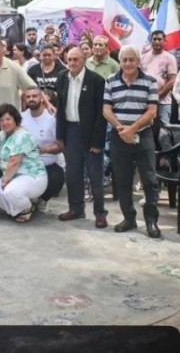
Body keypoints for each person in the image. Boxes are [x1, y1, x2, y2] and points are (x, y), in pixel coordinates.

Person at [103, 45, 162, 239]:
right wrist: (122, 129)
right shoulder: (111, 81)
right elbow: (106, 110)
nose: (128, 63)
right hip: (119, 137)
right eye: (124, 60)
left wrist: (132, 129)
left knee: (150, 180)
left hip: (143, 137)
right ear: (119, 62)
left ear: (138, 61)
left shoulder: (150, 82)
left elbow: (152, 111)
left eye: (131, 60)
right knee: (122, 180)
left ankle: (151, 221)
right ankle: (129, 218)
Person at [55, 47, 109, 226]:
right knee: (73, 173)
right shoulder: (62, 78)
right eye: (69, 60)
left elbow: (101, 114)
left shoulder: (96, 81)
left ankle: (100, 213)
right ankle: (76, 209)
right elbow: (60, 109)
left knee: (95, 175)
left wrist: (98, 140)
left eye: (75, 60)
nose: (72, 63)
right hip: (70, 131)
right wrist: (60, 134)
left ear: (84, 59)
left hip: (91, 132)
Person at [0, 104, 48, 223]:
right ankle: (17, 210)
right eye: (1, 120)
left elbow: (15, 162)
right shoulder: (4, 134)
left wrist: (5, 181)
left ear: (15, 119)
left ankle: (27, 208)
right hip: (13, 176)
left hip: (32, 176)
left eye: (8, 119)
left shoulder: (22, 136)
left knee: (11, 192)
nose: (5, 123)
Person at [21, 88, 64, 207]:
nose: (31, 99)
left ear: (41, 98)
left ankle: (43, 199)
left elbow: (61, 147)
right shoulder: (20, 118)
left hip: (47, 165)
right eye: (28, 97)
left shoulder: (52, 118)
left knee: (57, 177)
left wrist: (45, 150)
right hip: (25, 164)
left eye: (34, 96)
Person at [140, 30, 177, 123]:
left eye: (159, 39)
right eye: (154, 39)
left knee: (163, 132)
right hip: (145, 101)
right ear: (151, 41)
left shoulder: (170, 58)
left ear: (165, 41)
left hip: (163, 102)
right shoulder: (143, 57)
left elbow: (172, 81)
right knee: (145, 128)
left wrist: (157, 96)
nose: (157, 42)